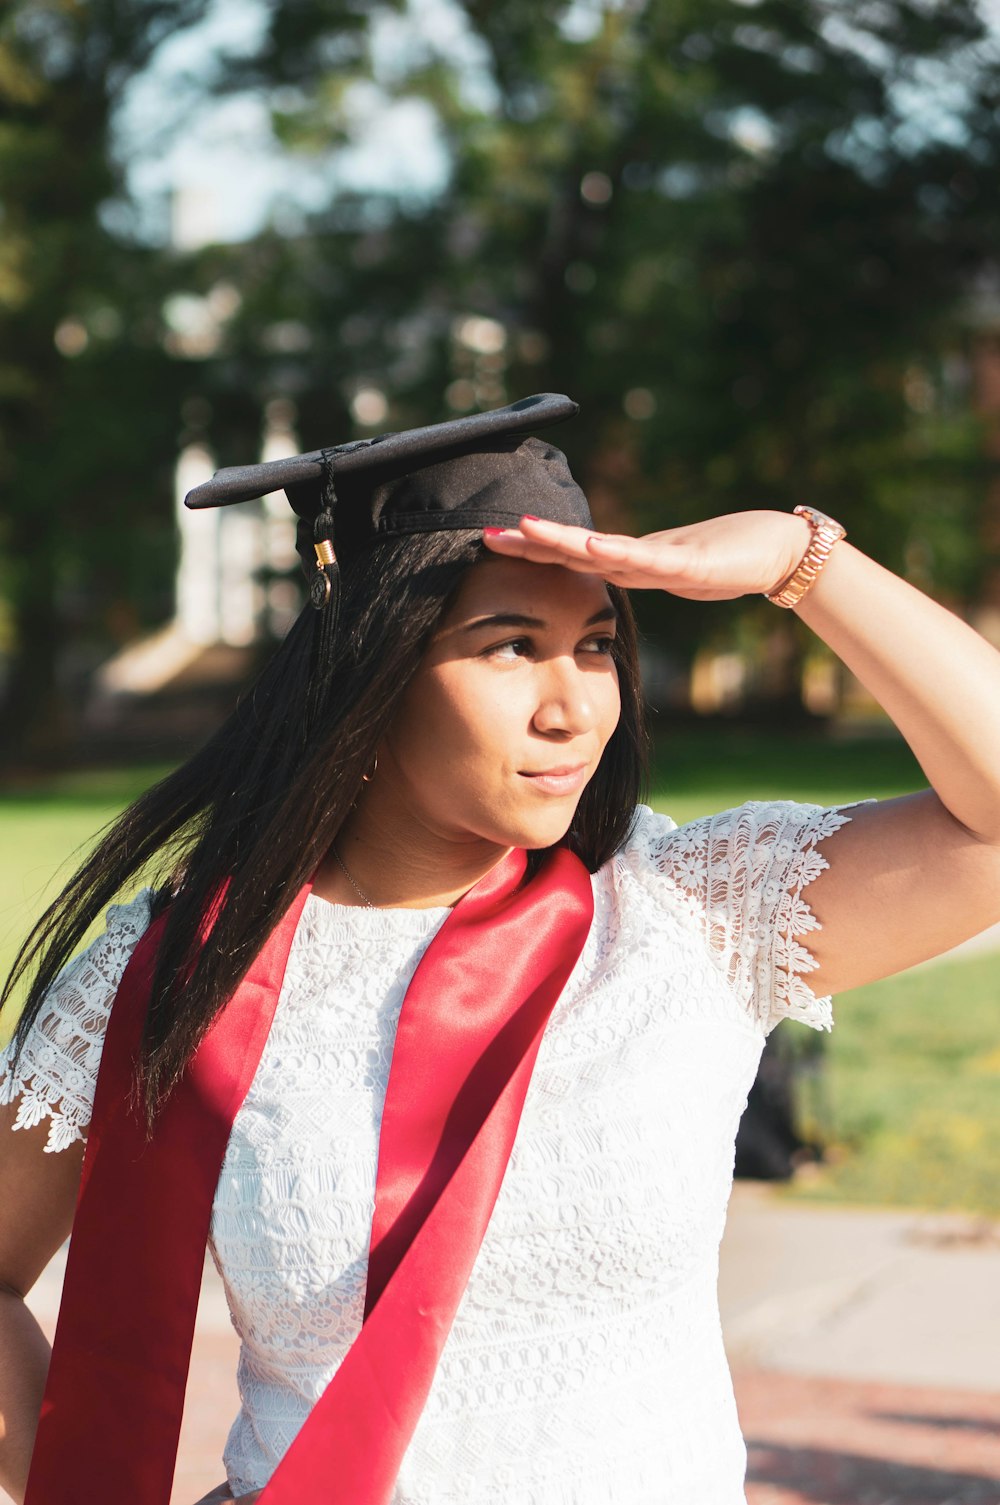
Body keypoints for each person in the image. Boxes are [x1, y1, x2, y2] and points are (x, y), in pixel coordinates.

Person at [1, 392, 999, 1505]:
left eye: (596, 645)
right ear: (367, 674)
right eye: (511, 645)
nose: (572, 706)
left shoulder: (690, 912)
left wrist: (799, 557)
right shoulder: (179, 971)